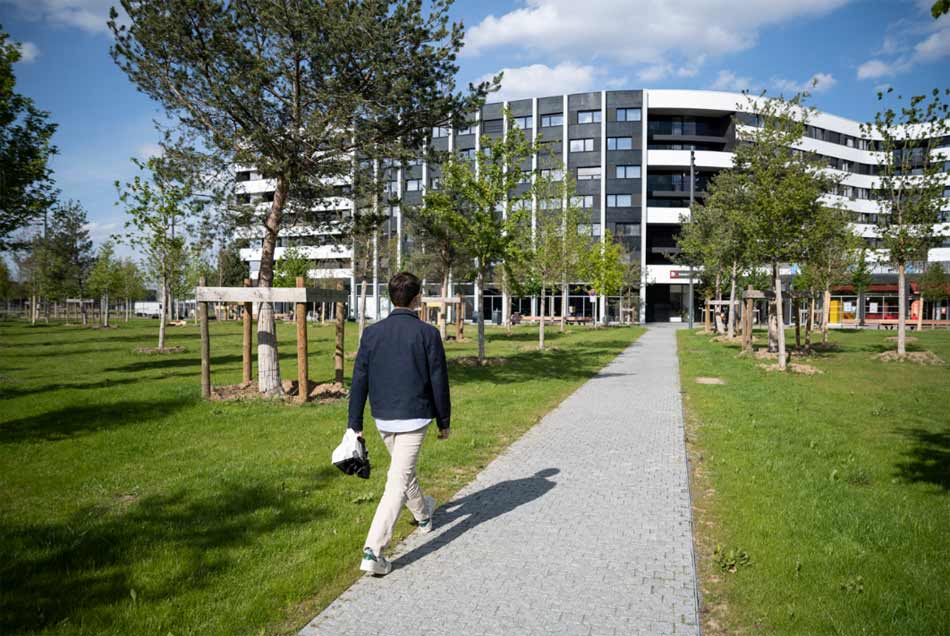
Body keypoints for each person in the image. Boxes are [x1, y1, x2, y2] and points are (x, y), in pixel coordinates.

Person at [347, 271, 451, 575]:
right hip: (415, 417)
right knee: (398, 480)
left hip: (383, 417)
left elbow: (359, 380)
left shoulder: (372, 333)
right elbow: (439, 382)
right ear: (417, 298)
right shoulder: (428, 333)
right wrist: (444, 420)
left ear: (391, 297)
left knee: (401, 472)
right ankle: (373, 551)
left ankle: (423, 516)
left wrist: (355, 422)